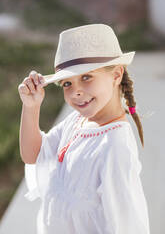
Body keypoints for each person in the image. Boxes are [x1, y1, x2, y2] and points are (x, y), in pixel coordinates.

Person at [18, 24, 150, 234]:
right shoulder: (76, 122)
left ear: (116, 75)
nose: (75, 92)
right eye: (67, 83)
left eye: (86, 77)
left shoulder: (115, 147)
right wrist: (31, 107)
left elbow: (125, 224)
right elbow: (32, 154)